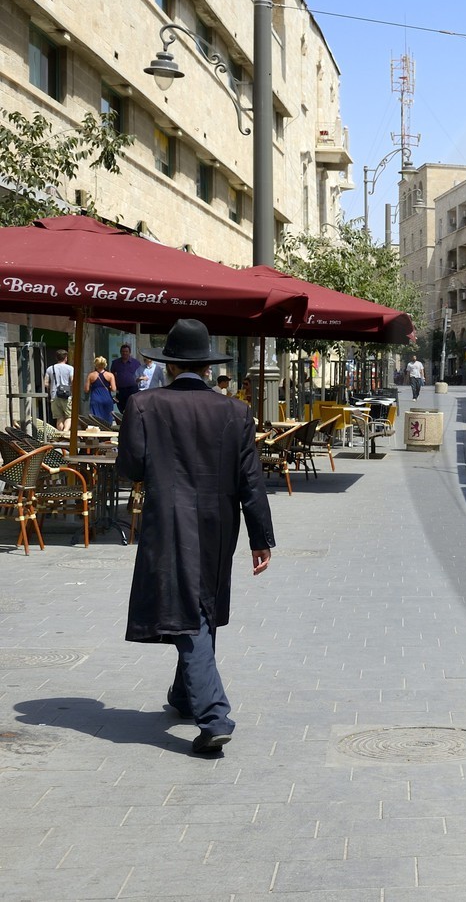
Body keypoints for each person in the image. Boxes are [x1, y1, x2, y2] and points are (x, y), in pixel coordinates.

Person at [118, 319, 274, 755]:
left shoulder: (144, 405)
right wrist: (261, 538)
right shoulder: (236, 411)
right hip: (218, 524)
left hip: (168, 520)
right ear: (208, 366)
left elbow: (130, 467)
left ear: (168, 365)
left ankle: (213, 716)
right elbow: (251, 480)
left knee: (188, 611)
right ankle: (185, 695)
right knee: (197, 603)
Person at [44, 348, 75, 430]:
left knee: (59, 418)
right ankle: (65, 433)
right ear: (66, 358)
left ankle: (61, 435)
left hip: (54, 395)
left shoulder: (50, 369)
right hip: (67, 395)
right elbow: (73, 381)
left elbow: (45, 383)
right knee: (69, 416)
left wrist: (52, 388)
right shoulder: (70, 368)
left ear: (56, 358)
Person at [110, 342, 141, 416]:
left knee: (132, 407)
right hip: (120, 390)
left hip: (132, 389)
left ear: (129, 352)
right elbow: (112, 374)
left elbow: (140, 374)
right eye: (123, 351)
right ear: (120, 352)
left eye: (126, 351)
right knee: (121, 407)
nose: (124, 353)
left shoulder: (136, 363)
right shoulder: (115, 363)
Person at [84, 355, 117, 423]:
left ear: (96, 364)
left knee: (96, 420)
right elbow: (114, 389)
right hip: (107, 399)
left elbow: (86, 389)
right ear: (105, 365)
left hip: (95, 399)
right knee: (107, 420)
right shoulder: (110, 375)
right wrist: (109, 387)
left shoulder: (91, 375)